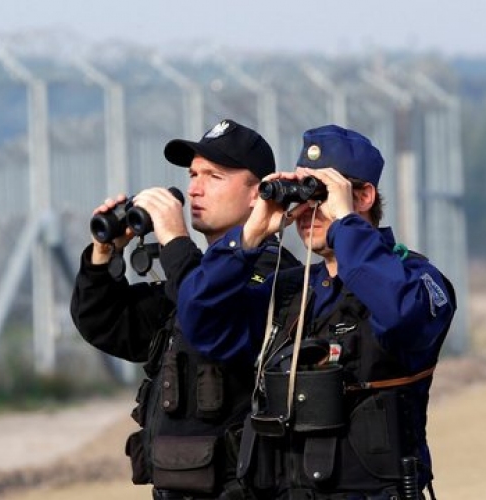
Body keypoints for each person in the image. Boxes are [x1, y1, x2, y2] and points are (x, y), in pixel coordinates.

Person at [176, 124, 456, 500]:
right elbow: (201, 321)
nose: (308, 210)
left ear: (364, 196)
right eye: (301, 195)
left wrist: (346, 226)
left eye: (320, 194)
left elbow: (403, 316)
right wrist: (249, 237)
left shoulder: (415, 279)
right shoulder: (290, 291)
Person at [70, 119, 301, 500]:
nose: (194, 189)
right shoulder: (192, 277)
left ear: (257, 195)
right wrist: (104, 253)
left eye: (214, 176)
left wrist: (176, 239)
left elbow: (206, 310)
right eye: (192, 174)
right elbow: (105, 322)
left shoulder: (276, 277)